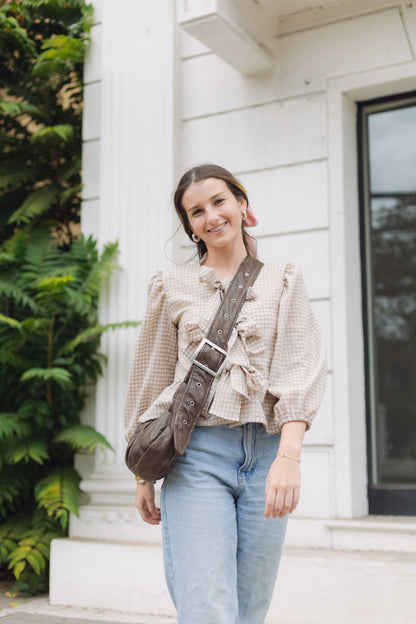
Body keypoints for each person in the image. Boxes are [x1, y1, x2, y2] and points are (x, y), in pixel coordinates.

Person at [124, 164, 326, 624]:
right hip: (196, 456)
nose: (211, 216)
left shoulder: (284, 279)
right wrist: (142, 474)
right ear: (190, 226)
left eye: (218, 201)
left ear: (241, 203)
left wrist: (289, 459)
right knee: (208, 611)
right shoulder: (170, 285)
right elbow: (150, 379)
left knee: (250, 609)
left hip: (269, 456)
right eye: (196, 211)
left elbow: (300, 369)